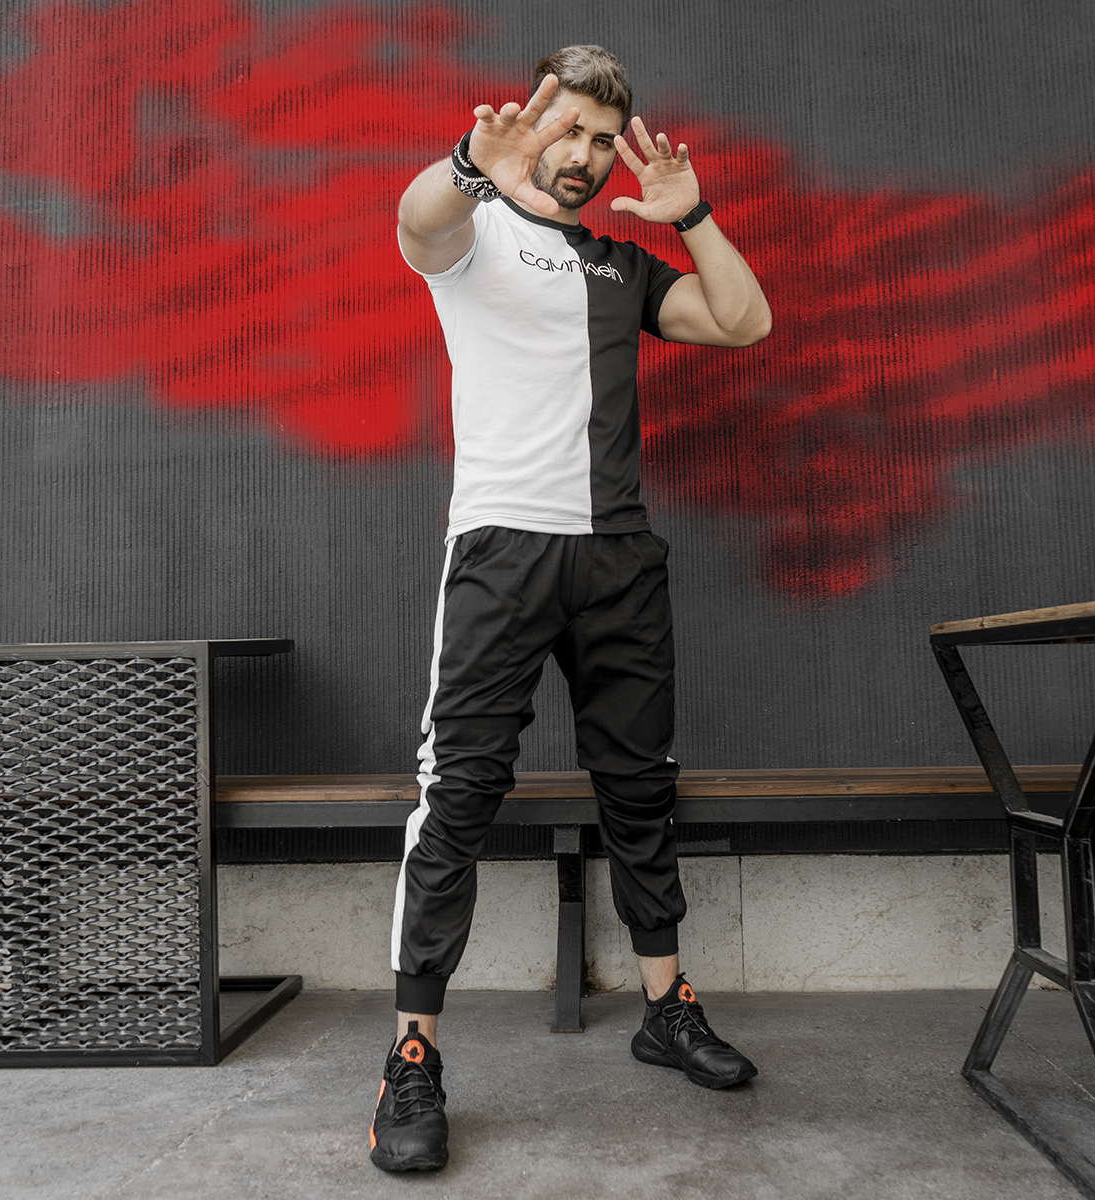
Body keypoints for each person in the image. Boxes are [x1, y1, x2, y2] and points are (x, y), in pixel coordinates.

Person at [371, 45, 773, 1174]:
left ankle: (664, 1008)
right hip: (504, 551)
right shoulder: (471, 236)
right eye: (570, 132)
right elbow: (416, 220)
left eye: (604, 141)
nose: (587, 156)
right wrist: (469, 165)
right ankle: (411, 1057)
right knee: (459, 796)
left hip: (619, 558)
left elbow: (743, 321)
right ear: (534, 128)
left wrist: (693, 217)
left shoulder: (621, 266)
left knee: (640, 788)